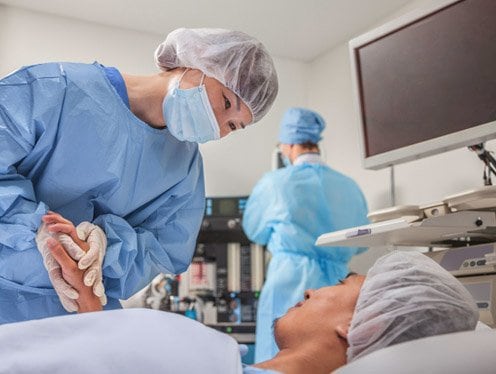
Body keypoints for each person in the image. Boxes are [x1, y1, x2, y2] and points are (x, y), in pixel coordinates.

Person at [0, 27, 278, 324]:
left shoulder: (184, 170)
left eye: (233, 126)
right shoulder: (56, 88)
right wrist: (36, 230)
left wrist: (105, 246)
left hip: (79, 316)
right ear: (197, 61)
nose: (219, 126)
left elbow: (163, 250)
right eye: (225, 103)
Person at [22, 244, 478, 374]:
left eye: (342, 283)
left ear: (362, 324)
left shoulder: (197, 355)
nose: (312, 290)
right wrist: (96, 316)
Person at [242, 107, 369, 361]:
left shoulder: (275, 183)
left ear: (288, 145)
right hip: (338, 288)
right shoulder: (349, 186)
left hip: (289, 280)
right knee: (331, 357)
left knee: (281, 356)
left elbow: (254, 230)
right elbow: (361, 244)